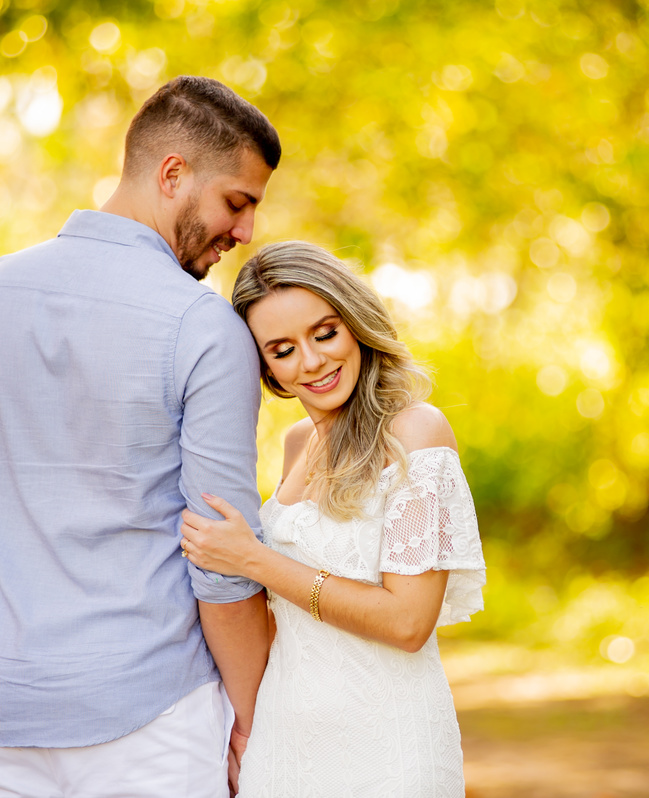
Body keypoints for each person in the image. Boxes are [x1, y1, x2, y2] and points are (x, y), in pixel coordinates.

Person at [0, 76, 280, 796]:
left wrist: (4, 674)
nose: (245, 233)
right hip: (156, 726)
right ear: (172, 173)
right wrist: (253, 718)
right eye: (237, 202)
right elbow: (222, 554)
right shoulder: (204, 329)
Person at [179, 240, 486, 797]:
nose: (313, 362)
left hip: (389, 747)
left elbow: (409, 623)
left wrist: (255, 560)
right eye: (283, 349)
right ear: (265, 366)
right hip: (285, 739)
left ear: (355, 323)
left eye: (324, 333)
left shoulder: (416, 432)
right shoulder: (297, 444)